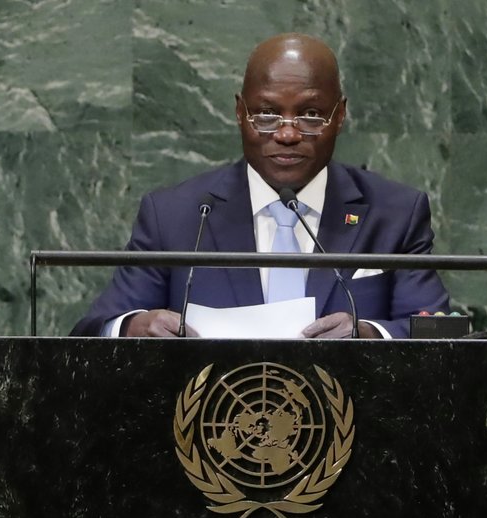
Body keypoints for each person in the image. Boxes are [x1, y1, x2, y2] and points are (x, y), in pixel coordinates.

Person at [71, 33, 449, 339]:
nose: (286, 133)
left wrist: (370, 333)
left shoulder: (395, 213)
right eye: (267, 114)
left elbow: (439, 330)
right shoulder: (175, 215)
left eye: (311, 114)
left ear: (340, 115)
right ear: (240, 113)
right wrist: (135, 326)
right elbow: (94, 330)